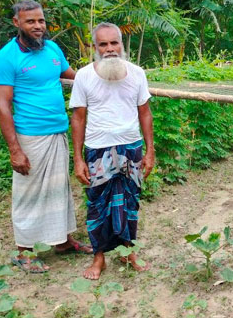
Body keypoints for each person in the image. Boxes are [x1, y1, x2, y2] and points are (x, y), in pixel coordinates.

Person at [0, 0, 92, 274]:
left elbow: (73, 76)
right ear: (17, 23)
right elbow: (2, 105)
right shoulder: (6, 57)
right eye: (30, 21)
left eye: (41, 21)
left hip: (57, 131)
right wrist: (15, 149)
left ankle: (62, 241)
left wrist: (102, 75)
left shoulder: (52, 49)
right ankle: (24, 252)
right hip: (30, 137)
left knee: (59, 189)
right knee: (29, 193)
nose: (38, 26)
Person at [70, 22, 155, 280]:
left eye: (114, 43)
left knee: (129, 203)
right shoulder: (84, 76)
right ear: (95, 48)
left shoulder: (137, 73)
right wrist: (78, 159)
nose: (109, 49)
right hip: (97, 150)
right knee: (97, 205)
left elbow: (145, 112)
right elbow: (78, 118)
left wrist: (150, 151)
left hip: (131, 148)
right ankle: (99, 258)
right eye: (103, 44)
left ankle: (129, 252)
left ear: (122, 44)